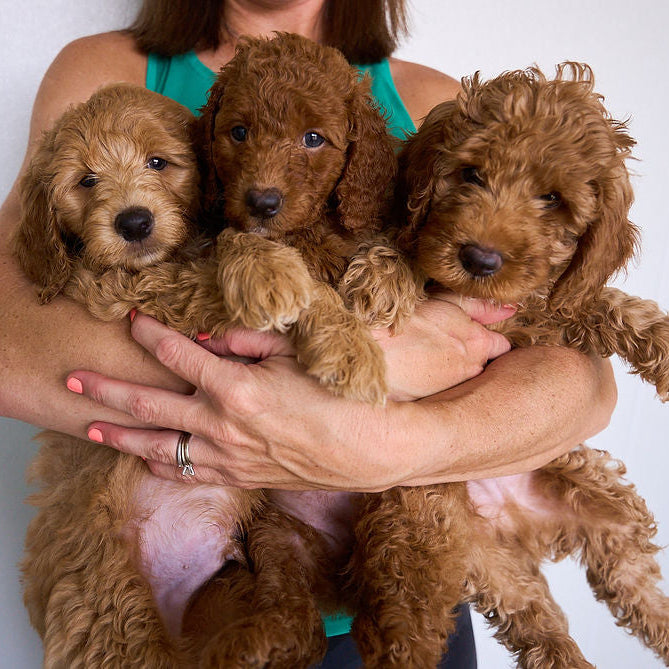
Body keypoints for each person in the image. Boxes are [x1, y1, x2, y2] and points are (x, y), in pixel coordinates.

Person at [0, 0, 616, 666]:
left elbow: (581, 385)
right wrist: (295, 385)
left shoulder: (436, 101)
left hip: (402, 587)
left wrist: (400, 440)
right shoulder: (105, 71)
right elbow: (10, 332)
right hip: (174, 588)